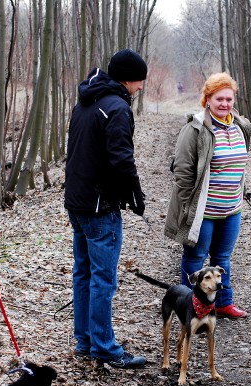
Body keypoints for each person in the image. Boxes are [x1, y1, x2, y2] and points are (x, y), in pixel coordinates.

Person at [64, 49, 148, 368]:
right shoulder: (117, 108)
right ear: (128, 78)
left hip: (78, 203)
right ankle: (103, 346)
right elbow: (121, 160)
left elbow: (90, 155)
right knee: (102, 278)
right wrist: (135, 194)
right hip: (99, 209)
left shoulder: (84, 102)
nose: (140, 87)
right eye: (139, 80)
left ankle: (85, 340)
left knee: (84, 273)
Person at [164, 72, 251, 319]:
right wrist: (187, 204)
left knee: (223, 258)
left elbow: (240, 165)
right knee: (196, 257)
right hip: (204, 211)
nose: (225, 104)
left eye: (229, 99)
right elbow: (182, 169)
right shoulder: (195, 129)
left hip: (232, 208)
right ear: (207, 100)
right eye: (219, 99)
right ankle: (193, 306)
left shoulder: (241, 127)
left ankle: (223, 303)